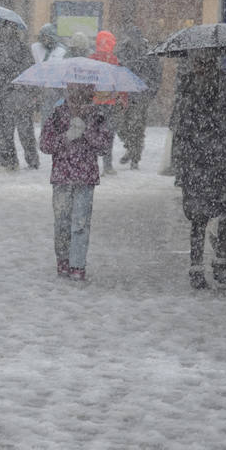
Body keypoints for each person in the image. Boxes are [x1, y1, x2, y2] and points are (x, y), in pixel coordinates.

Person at [170, 53, 226, 289]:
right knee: (198, 217)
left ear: (212, 63)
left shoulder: (225, 87)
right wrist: (181, 165)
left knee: (225, 213)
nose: (200, 67)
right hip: (196, 163)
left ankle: (220, 263)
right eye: (197, 63)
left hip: (220, 162)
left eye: (204, 63)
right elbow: (178, 127)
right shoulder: (187, 88)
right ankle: (196, 267)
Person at [39, 82, 113, 281]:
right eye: (73, 92)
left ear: (90, 94)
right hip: (62, 178)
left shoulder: (97, 116)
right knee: (62, 223)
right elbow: (45, 145)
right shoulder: (57, 114)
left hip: (85, 178)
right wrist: (66, 136)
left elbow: (105, 146)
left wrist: (87, 131)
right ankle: (63, 260)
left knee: (80, 224)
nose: (77, 98)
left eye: (82, 93)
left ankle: (77, 264)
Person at [0, 21, 37, 170]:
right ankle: (11, 160)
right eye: (3, 29)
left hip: (18, 95)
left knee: (22, 131)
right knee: (7, 132)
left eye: (9, 29)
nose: (5, 32)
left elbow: (29, 70)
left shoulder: (22, 49)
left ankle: (27, 160)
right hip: (6, 96)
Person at [114, 27, 162, 170]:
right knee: (120, 125)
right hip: (123, 94)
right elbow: (115, 68)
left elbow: (157, 74)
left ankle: (135, 157)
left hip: (141, 95)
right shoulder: (122, 51)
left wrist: (150, 92)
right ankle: (130, 148)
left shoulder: (149, 53)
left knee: (137, 127)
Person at [88, 30, 126, 174]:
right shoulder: (115, 61)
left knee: (92, 133)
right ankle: (107, 165)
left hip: (93, 102)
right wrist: (123, 99)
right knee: (108, 134)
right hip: (110, 103)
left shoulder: (91, 59)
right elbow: (122, 83)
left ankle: (92, 164)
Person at [29, 23, 66, 129]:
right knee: (45, 115)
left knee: (55, 115)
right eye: (43, 37)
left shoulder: (61, 51)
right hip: (41, 88)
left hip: (55, 89)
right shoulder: (35, 48)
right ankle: (45, 136)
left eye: (48, 37)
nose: (45, 40)